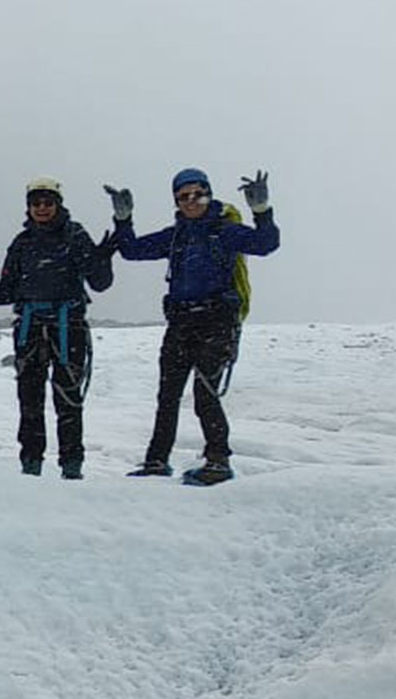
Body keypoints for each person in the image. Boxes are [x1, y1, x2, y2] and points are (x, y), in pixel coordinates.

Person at [106, 168, 281, 485]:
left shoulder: (225, 231)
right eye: (183, 196)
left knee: (205, 394)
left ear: (209, 193)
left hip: (217, 321)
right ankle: (157, 461)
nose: (191, 201)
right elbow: (131, 251)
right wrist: (123, 219)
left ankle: (218, 461)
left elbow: (266, 243)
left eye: (197, 194)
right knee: (168, 395)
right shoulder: (176, 235)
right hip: (182, 322)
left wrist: (261, 211)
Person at [0, 177, 115, 478]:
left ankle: (71, 468)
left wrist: (102, 258)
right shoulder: (22, 244)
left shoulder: (75, 236)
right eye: (36, 203)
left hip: (68, 327)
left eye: (48, 202)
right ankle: (31, 466)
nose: (42, 208)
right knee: (30, 402)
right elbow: (6, 292)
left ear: (58, 204)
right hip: (30, 329)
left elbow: (101, 283)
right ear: (29, 207)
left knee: (68, 401)